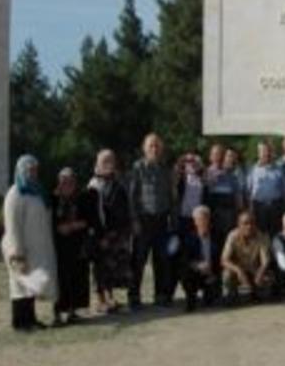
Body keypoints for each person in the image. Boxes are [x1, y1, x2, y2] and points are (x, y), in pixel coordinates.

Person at [2, 155, 58, 331]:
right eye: (30, 169)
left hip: (37, 247)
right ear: (21, 170)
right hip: (20, 247)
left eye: (35, 169)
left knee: (30, 283)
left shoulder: (37, 191)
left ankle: (31, 319)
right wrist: (16, 252)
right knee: (19, 285)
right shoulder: (15, 194)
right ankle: (20, 322)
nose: (33, 172)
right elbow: (12, 225)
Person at [128, 133, 176, 309]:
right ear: (144, 148)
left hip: (162, 219)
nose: (154, 149)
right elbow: (132, 196)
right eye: (151, 146)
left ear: (161, 149)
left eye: (157, 146)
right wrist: (134, 220)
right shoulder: (137, 167)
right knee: (138, 260)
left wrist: (172, 218)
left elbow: (171, 197)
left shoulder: (166, 169)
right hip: (143, 219)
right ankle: (134, 297)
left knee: (161, 260)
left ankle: (160, 296)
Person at [86, 149, 133, 314]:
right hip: (101, 235)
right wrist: (102, 235)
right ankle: (100, 301)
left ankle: (110, 298)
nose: (108, 164)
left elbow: (125, 207)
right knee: (100, 267)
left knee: (112, 267)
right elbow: (92, 214)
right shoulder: (93, 185)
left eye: (111, 160)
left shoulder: (118, 182)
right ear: (98, 164)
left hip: (117, 233)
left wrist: (123, 230)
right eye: (105, 161)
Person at [50, 168, 90, 326]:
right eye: (64, 181)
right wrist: (58, 227)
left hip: (77, 244)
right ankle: (58, 313)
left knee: (77, 277)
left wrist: (74, 225)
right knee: (60, 279)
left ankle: (73, 311)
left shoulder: (82, 198)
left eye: (71, 180)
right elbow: (47, 221)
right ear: (59, 182)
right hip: (58, 246)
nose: (67, 184)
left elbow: (89, 219)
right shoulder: (53, 199)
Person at [221, 211, 272, 304]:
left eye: (252, 223)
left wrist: (260, 272)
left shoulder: (262, 236)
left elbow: (265, 261)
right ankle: (231, 296)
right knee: (226, 274)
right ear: (239, 225)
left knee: (267, 282)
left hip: (254, 270)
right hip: (239, 271)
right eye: (245, 223)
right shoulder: (232, 236)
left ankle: (256, 294)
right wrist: (238, 270)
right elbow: (224, 260)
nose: (249, 226)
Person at [181, 206, 221, 312]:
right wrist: (197, 265)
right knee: (185, 273)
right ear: (195, 222)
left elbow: (222, 258)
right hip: (196, 273)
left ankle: (210, 295)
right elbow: (185, 260)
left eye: (205, 218)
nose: (203, 222)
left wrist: (213, 272)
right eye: (200, 219)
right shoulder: (189, 238)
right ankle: (191, 298)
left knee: (210, 302)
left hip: (212, 273)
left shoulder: (217, 236)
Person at [205, 144, 244, 252]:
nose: (218, 157)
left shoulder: (231, 175)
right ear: (210, 157)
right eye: (215, 154)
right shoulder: (205, 173)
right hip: (213, 213)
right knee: (214, 240)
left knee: (228, 240)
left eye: (221, 154)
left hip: (229, 214)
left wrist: (239, 212)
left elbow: (237, 196)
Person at [247, 141, 285, 236]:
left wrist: (282, 207)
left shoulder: (279, 170)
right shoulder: (252, 170)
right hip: (258, 207)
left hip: (276, 207)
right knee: (259, 234)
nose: (265, 153)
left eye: (267, 151)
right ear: (258, 153)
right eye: (263, 151)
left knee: (275, 233)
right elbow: (248, 192)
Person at [176, 153, 206, 237]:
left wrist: (198, 163)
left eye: (194, 161)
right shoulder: (181, 176)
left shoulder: (202, 178)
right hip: (183, 214)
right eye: (189, 161)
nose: (192, 163)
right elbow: (177, 168)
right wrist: (184, 158)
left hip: (198, 215)